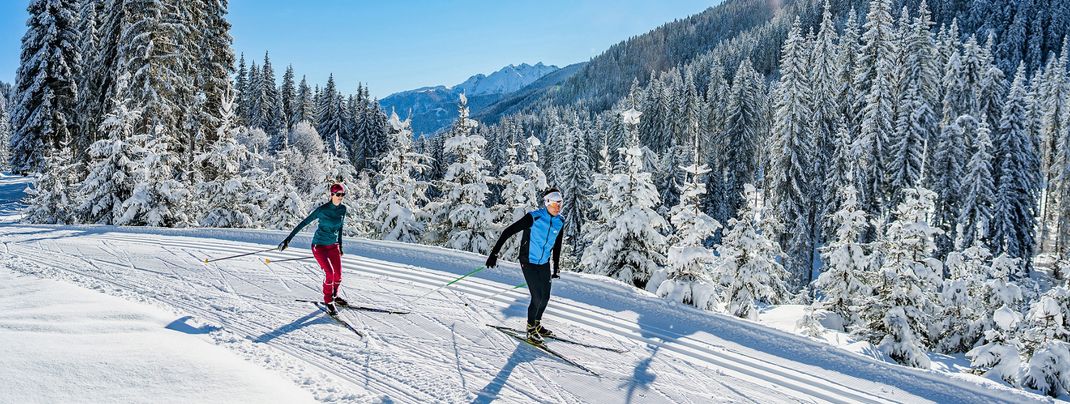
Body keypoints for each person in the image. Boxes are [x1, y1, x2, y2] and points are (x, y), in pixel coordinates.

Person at [485, 188, 565, 343]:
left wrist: (556, 266)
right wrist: (494, 254)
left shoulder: (560, 221)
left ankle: (537, 324)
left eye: (560, 204)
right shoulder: (534, 218)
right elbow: (507, 232)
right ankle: (530, 330)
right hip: (528, 261)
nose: (558, 207)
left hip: (543, 263)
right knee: (537, 296)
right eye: (555, 204)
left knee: (546, 296)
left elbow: (557, 245)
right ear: (547, 203)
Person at [280, 183, 348, 315]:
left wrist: (340, 245)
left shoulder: (343, 209)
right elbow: (304, 223)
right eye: (338, 194)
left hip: (333, 246)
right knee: (330, 274)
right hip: (319, 246)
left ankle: (334, 296)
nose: (340, 197)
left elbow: (340, 228)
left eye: (342, 195)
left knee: (338, 276)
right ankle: (328, 302)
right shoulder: (322, 210)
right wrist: (288, 239)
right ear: (332, 195)